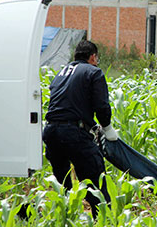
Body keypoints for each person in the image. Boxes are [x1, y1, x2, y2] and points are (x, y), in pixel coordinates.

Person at [42, 40, 117, 217]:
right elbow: (101, 105)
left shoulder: (61, 72)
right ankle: (103, 224)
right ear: (92, 57)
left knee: (63, 184)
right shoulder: (93, 71)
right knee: (95, 181)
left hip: (51, 132)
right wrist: (107, 127)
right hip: (73, 132)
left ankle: (63, 221)